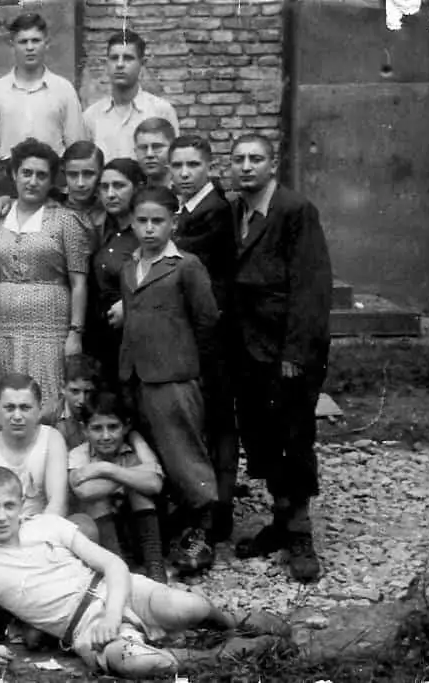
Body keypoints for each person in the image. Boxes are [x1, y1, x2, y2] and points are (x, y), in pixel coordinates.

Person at [0, 467, 288, 679]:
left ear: (22, 503)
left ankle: (232, 622)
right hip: (84, 627)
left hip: (118, 591)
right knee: (138, 663)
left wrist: (113, 613)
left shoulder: (48, 525)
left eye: (8, 505)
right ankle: (225, 653)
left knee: (191, 608)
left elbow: (113, 564)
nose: (1, 516)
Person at [228, 133, 332, 583]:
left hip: (286, 349)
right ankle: (279, 517)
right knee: (261, 437)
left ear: (273, 165)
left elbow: (311, 287)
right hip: (247, 349)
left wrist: (295, 352)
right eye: (239, 159)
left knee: (293, 435)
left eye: (256, 159)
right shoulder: (235, 211)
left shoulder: (294, 211)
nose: (246, 166)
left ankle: (301, 531)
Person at [119, 187, 220, 577]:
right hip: (138, 377)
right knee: (152, 456)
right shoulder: (130, 267)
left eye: (157, 221)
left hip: (175, 378)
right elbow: (131, 322)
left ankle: (203, 533)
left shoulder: (185, 266)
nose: (148, 229)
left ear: (173, 223)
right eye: (141, 221)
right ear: (131, 223)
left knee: (185, 456)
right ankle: (160, 535)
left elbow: (207, 323)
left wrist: (197, 375)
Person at [169, 134, 239, 542]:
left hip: (215, 335)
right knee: (198, 418)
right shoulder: (184, 209)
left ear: (208, 167)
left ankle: (220, 508)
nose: (183, 173)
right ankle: (201, 503)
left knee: (217, 420)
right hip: (192, 334)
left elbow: (176, 256)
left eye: (192, 165)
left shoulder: (214, 212)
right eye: (176, 166)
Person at [0, 138, 90, 407]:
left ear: (52, 180)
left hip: (49, 324)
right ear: (13, 174)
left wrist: (75, 333)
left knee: (46, 395)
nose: (33, 181)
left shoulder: (66, 220)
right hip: (3, 323)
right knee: (8, 397)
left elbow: (79, 282)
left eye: (41, 175)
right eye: (26, 173)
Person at [0, 373, 91, 542]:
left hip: (42, 535)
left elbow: (57, 504)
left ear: (38, 409)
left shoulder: (51, 438)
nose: (17, 416)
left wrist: (28, 541)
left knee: (85, 526)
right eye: (9, 408)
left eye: (25, 407)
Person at [0, 13, 86, 196]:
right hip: (8, 180)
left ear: (46, 43)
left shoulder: (63, 89)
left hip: (52, 179)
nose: (30, 47)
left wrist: (70, 189)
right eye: (23, 42)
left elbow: (75, 147)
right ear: (12, 45)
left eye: (35, 41)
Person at [67, 391, 166, 583]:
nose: (105, 436)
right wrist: (131, 474)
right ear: (85, 430)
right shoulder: (78, 454)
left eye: (113, 427)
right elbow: (85, 491)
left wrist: (106, 469)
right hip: (104, 536)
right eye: (97, 428)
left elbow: (154, 484)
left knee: (140, 493)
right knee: (98, 500)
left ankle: (156, 569)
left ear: (126, 426)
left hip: (138, 530)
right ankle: (120, 570)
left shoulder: (132, 450)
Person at [89, 158, 148, 381]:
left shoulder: (147, 233)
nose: (111, 194)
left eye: (119, 186)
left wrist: (131, 306)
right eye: (104, 187)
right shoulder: (105, 231)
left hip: (137, 340)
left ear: (137, 187)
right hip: (105, 340)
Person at [84, 31, 179, 162]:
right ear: (106, 63)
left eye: (128, 58)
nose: (120, 64)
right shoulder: (91, 116)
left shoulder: (160, 110)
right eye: (114, 58)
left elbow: (174, 159)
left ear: (142, 63)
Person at [41, 353, 100, 451]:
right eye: (75, 391)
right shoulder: (49, 414)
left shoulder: (101, 410)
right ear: (62, 387)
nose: (82, 400)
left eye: (88, 392)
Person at [134, 117, 176, 188]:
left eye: (157, 147)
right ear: (135, 151)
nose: (149, 154)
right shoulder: (132, 194)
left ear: (173, 149)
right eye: (143, 148)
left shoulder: (186, 194)